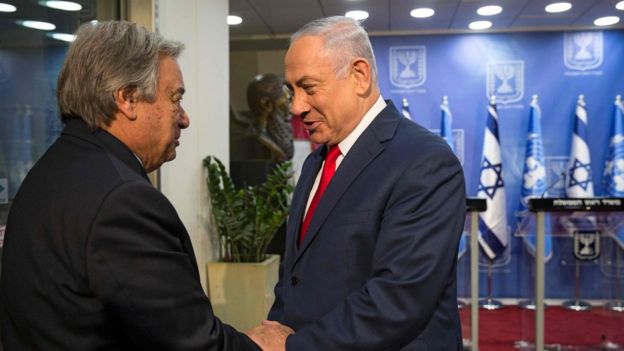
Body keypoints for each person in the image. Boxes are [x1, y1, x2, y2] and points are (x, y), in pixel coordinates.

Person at [0, 21, 291, 350]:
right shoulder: (122, 201)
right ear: (127, 98)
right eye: (175, 99)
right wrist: (262, 345)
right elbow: (192, 343)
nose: (184, 118)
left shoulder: (53, 168)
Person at [267, 16, 466, 350]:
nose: (296, 106)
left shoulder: (425, 161)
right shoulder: (316, 163)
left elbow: (398, 299)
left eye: (309, 88)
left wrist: (291, 347)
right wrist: (273, 331)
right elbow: (293, 277)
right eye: (292, 90)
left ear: (359, 76)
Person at [231, 74, 294, 163]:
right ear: (266, 104)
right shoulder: (248, 142)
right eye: (288, 100)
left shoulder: (280, 135)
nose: (292, 107)